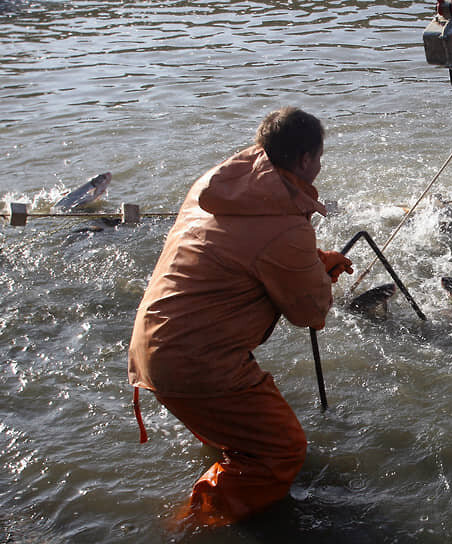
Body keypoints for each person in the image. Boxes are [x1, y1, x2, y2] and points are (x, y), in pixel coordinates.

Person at [128, 106, 353, 527]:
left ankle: (231, 463)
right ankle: (192, 527)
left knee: (243, 442)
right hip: (197, 364)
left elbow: (235, 252)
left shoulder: (217, 185)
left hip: (152, 341)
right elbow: (311, 312)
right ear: (305, 160)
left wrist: (310, 260)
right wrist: (316, 273)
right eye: (320, 157)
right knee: (282, 451)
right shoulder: (286, 228)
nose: (321, 165)